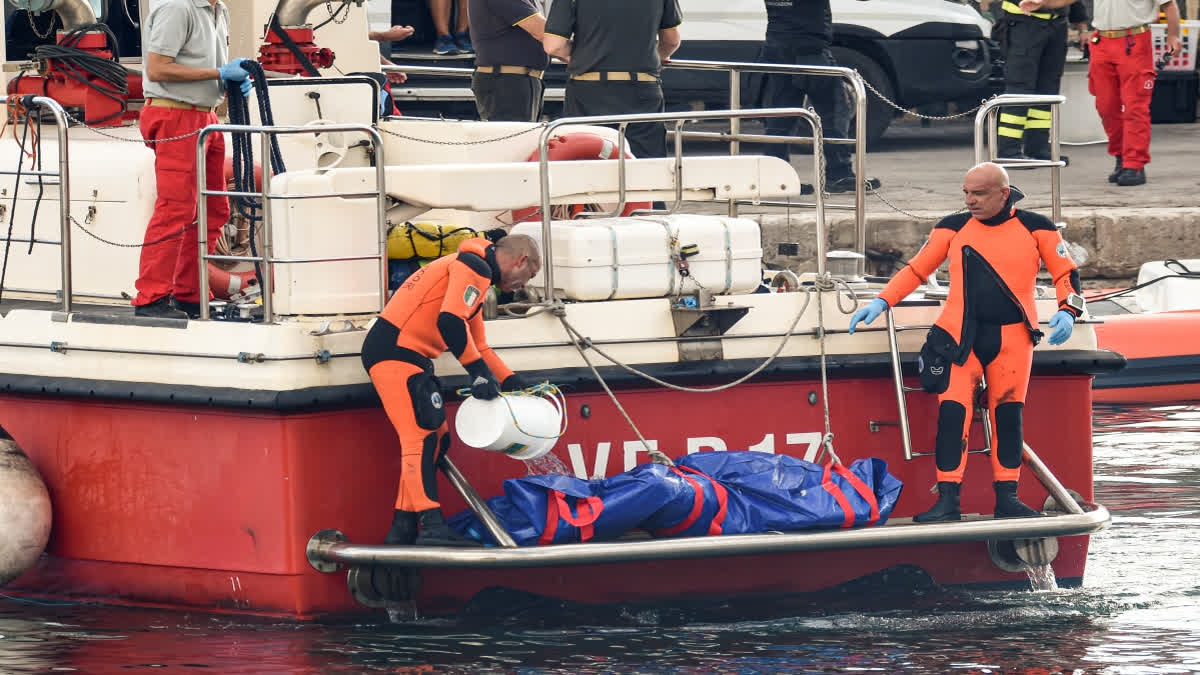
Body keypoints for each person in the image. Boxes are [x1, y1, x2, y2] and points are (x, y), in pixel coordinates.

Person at [848, 162, 1086, 522]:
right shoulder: (952, 227)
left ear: (1004, 193)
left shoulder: (1037, 227)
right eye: (966, 193)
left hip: (1012, 338)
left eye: (978, 193)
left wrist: (1069, 311)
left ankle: (1007, 499)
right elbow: (917, 269)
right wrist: (883, 301)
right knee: (952, 415)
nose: (970, 200)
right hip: (959, 337)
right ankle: (947, 502)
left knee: (1008, 416)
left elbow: (1066, 273)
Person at [362, 234, 541, 546]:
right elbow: (450, 322)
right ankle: (431, 526)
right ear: (521, 260)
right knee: (419, 436)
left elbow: (479, 343)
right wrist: (477, 373)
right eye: (531, 275)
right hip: (395, 352)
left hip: (410, 356)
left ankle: (403, 526)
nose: (525, 285)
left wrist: (512, 381)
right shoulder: (473, 267)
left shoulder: (478, 276)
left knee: (436, 438)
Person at [134, 0, 250, 319]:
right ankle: (152, 297)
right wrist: (218, 73)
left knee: (214, 209)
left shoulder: (218, 10)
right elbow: (157, 68)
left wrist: (225, 81)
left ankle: (190, 293)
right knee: (176, 208)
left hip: (204, 117)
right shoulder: (178, 8)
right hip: (175, 114)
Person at [1021, 0, 1181, 185]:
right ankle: (1121, 157)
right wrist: (1043, 4)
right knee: (1106, 107)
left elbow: (1170, 5)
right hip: (1102, 42)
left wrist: (1173, 36)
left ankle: (1134, 164)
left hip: (1134, 42)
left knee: (1135, 108)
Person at [758, 0, 880, 194]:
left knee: (782, 116)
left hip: (777, 46)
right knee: (834, 111)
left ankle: (775, 179)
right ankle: (839, 175)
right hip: (809, 50)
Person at [543, 0, 682, 161]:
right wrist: (654, 58)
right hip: (641, 89)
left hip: (588, 90)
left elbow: (553, 45)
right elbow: (671, 40)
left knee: (589, 158)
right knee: (644, 164)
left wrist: (584, 54)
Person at [993, 0, 1090, 164]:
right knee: (1019, 90)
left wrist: (1082, 27)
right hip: (1023, 24)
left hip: (1056, 26)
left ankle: (1038, 148)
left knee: (1047, 91)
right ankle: (1008, 151)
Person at [468, 0, 549, 122]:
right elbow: (541, 30)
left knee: (523, 138)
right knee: (514, 139)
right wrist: (582, 53)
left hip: (518, 80)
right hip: (507, 82)